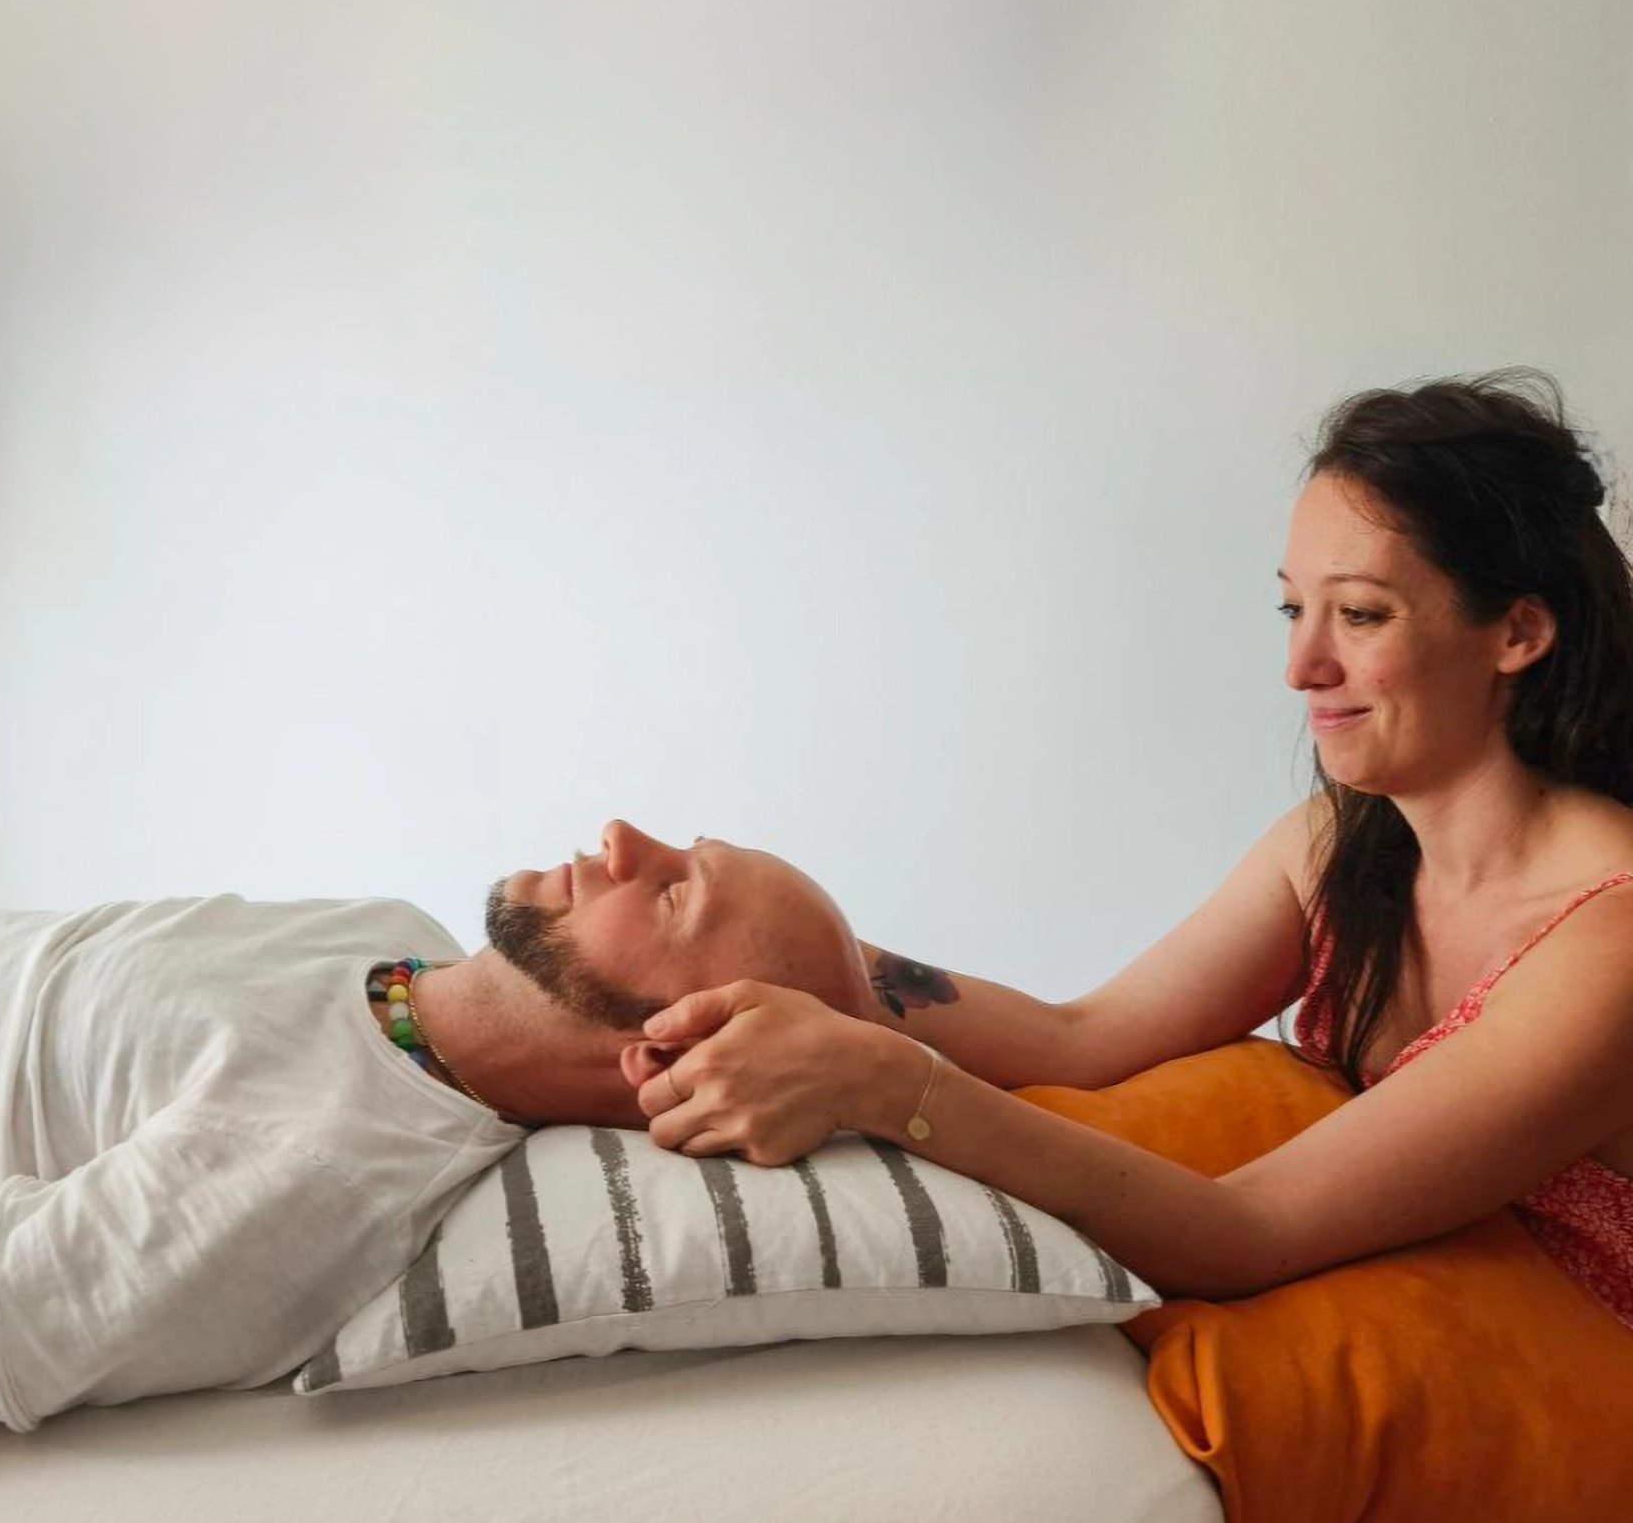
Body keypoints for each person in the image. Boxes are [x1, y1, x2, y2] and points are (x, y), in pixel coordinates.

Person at [633, 371, 1633, 1331]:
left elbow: (1248, 1231)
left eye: (1361, 614)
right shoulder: (1337, 850)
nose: (1300, 667)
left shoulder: (1607, 937)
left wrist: (884, 1085)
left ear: (1519, 632)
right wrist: (768, 946)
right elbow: (1083, 1040)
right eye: (1294, 608)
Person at [0, 821, 871, 1477]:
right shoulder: (390, 947)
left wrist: (897, 1090)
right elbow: (862, 988)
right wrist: (1064, 1036)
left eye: (672, 892)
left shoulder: (308, 1179)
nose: (624, 837)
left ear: (677, 1052)